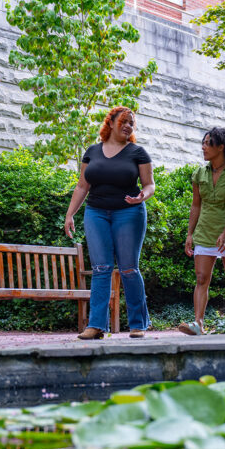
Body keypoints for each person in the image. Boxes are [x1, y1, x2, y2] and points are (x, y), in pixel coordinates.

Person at [64, 106, 154, 339]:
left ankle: (138, 325)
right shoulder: (92, 151)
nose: (128, 126)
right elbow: (82, 185)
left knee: (128, 268)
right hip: (96, 213)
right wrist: (70, 214)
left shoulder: (138, 152)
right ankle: (96, 326)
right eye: (124, 121)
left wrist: (142, 196)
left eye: (131, 123)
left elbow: (149, 184)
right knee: (101, 269)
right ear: (111, 122)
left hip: (129, 213)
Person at [179, 127, 225, 335]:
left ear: (221, 147)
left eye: (207, 143)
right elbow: (196, 206)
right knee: (201, 278)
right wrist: (190, 234)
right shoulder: (199, 173)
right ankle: (198, 324)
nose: (203, 147)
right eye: (203, 142)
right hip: (204, 232)